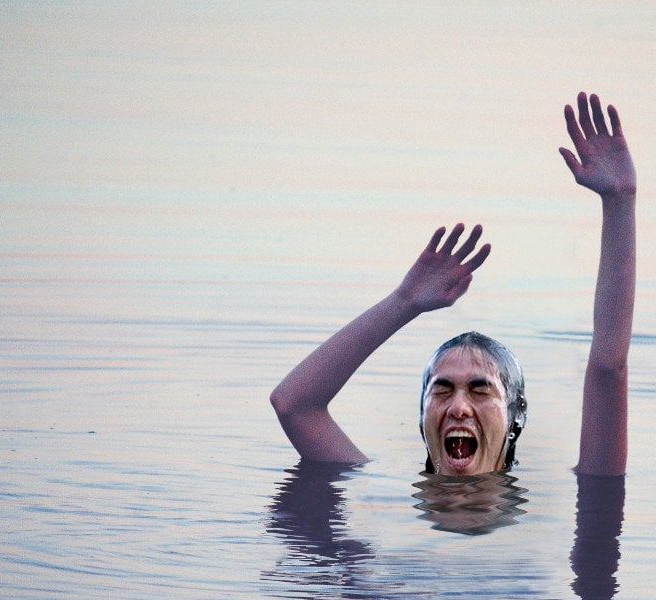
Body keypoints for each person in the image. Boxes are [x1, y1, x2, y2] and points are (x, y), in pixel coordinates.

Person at [270, 92, 635, 477]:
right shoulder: (384, 492)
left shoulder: (561, 505)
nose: (459, 407)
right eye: (442, 390)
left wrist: (620, 203)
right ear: (422, 416)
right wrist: (404, 301)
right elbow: (293, 405)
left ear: (515, 417)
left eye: (480, 390)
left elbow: (609, 368)